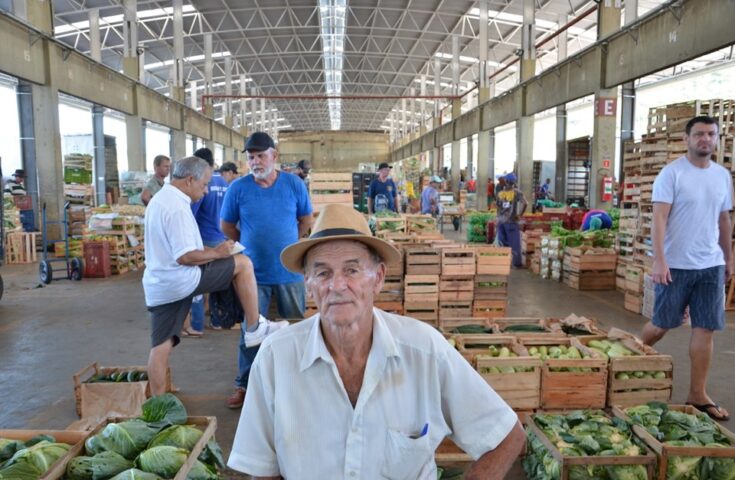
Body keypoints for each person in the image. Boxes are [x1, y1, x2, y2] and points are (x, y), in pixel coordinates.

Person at [228, 204, 525, 479]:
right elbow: (263, 470)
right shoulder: (275, 358)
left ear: (378, 277)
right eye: (322, 273)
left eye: (352, 270)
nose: (337, 286)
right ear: (308, 284)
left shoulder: (424, 351)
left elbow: (507, 435)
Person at [142, 156, 286, 396]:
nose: (207, 190)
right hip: (181, 279)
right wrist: (217, 252)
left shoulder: (160, 200)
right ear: (189, 180)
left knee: (160, 346)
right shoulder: (177, 207)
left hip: (159, 284)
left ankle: (157, 405)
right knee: (243, 263)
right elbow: (185, 256)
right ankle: (254, 326)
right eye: (204, 184)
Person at [641, 115, 732, 422]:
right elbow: (659, 219)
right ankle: (626, 355)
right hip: (675, 265)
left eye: (711, 134)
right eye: (699, 134)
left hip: (710, 265)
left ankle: (697, 394)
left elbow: (723, 220)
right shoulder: (672, 174)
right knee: (661, 325)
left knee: (705, 328)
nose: (705, 139)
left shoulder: (722, 176)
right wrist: (659, 259)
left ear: (717, 139)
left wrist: (728, 258)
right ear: (687, 139)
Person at [221, 131, 313, 409]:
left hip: (290, 273)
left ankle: (298, 383)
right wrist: (250, 244)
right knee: (250, 332)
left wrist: (288, 246)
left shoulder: (294, 184)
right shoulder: (238, 188)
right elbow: (227, 226)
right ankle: (245, 384)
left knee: (296, 328)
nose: (256, 162)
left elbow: (306, 220)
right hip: (253, 276)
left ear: (274, 156)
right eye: (251, 157)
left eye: (261, 155)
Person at [187, 148, 231, 334]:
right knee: (220, 283)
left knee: (198, 284)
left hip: (204, 239)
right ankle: (218, 320)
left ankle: (196, 324)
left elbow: (191, 215)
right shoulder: (224, 183)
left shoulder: (201, 184)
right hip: (222, 239)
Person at [496, 173, 527, 268]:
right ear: (513, 182)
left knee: (502, 243)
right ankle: (516, 264)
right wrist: (519, 215)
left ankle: (503, 263)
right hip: (511, 222)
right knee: (515, 244)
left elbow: (498, 208)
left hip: (501, 222)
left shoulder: (500, 193)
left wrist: (498, 219)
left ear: (506, 181)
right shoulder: (517, 192)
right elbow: (525, 203)